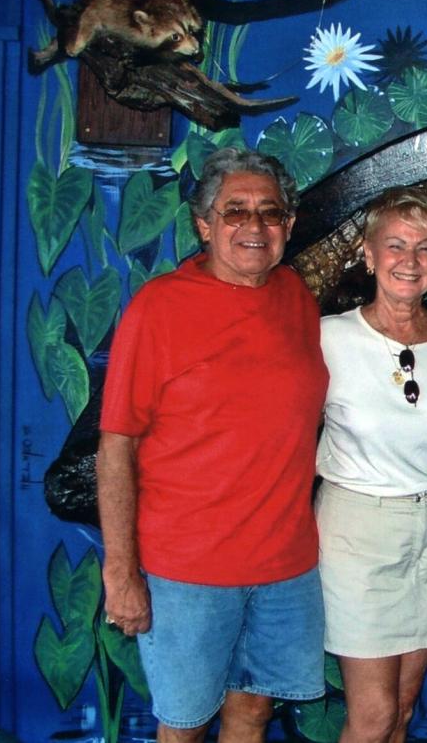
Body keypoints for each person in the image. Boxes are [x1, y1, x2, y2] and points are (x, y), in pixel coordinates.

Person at [96, 148, 328, 742]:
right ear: (204, 225)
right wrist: (120, 571)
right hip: (188, 572)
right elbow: (116, 447)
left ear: (288, 225)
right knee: (185, 726)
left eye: (270, 212)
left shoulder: (295, 298)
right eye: (235, 211)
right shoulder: (158, 309)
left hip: (284, 565)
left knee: (253, 714)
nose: (255, 226)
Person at [314, 187, 427, 743]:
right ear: (368, 254)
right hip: (357, 532)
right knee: (373, 716)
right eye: (395, 245)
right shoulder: (329, 337)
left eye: (424, 247)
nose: (409, 260)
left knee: (404, 709)